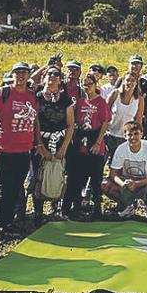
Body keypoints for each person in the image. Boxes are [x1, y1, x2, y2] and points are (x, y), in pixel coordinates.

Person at [0, 62, 40, 238]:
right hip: (4, 149)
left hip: (24, 150)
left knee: (17, 187)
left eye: (24, 73)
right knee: (4, 189)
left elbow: (35, 121)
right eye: (17, 73)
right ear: (13, 75)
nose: (21, 76)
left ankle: (9, 223)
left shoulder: (32, 96)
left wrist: (38, 143)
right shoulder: (4, 92)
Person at [64, 74, 110, 219]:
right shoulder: (80, 102)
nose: (87, 87)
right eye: (84, 84)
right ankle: (77, 206)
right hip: (81, 143)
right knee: (78, 178)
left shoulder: (101, 102)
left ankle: (97, 209)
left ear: (96, 84)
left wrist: (98, 142)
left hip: (96, 142)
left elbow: (105, 123)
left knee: (96, 179)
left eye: (90, 84)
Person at [33, 68, 74, 223]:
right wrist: (40, 146)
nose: (53, 76)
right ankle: (38, 211)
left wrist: (63, 147)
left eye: (56, 74)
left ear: (60, 79)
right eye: (50, 73)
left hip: (60, 141)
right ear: (44, 77)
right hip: (40, 141)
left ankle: (56, 207)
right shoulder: (37, 97)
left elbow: (71, 125)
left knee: (59, 173)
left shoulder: (66, 99)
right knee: (39, 174)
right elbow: (35, 122)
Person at [103, 121, 147, 222]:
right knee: (105, 185)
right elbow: (113, 173)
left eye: (136, 134)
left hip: (145, 183)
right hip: (127, 184)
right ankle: (127, 206)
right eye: (129, 134)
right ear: (125, 136)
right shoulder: (121, 149)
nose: (133, 137)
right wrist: (123, 184)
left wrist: (137, 183)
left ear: (142, 134)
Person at [106, 71, 146, 160]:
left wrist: (136, 138)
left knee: (119, 165)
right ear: (123, 81)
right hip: (109, 135)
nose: (130, 83)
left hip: (126, 138)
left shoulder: (139, 99)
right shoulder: (115, 94)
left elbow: (138, 120)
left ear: (136, 83)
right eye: (127, 80)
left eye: (133, 81)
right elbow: (104, 113)